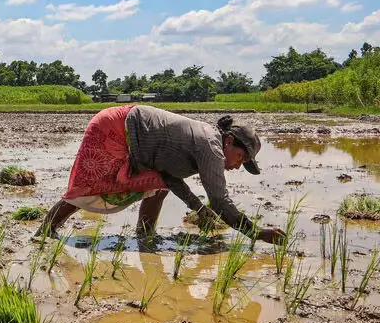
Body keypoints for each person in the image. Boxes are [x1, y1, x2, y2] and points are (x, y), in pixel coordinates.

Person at [35, 104, 286, 245]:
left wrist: (198, 207)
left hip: (131, 135)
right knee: (90, 184)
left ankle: (145, 235)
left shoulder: (207, 143)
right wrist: (256, 233)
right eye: (241, 158)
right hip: (116, 127)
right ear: (229, 141)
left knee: (157, 186)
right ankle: (46, 232)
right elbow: (220, 201)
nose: (236, 166)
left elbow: (168, 178)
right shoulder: (211, 148)